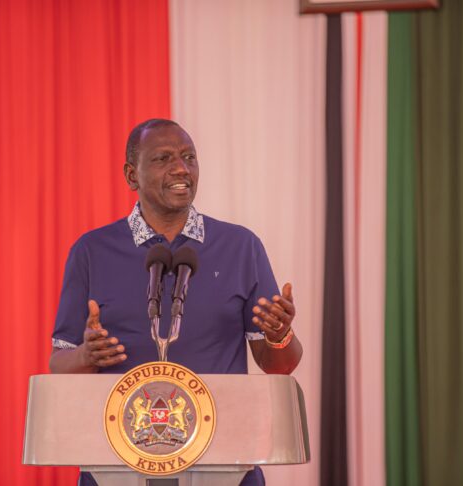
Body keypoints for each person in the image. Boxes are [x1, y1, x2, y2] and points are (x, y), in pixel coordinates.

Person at [49, 119, 302, 485]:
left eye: (188, 157)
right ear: (131, 175)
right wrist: (86, 357)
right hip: (118, 465)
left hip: (223, 464)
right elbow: (60, 363)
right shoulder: (92, 251)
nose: (181, 168)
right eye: (163, 158)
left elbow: (279, 365)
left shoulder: (240, 246)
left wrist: (279, 335)